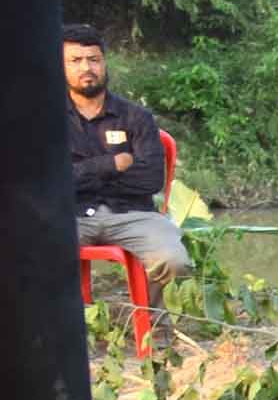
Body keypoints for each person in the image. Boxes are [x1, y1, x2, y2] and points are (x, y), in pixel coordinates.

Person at [64, 23, 190, 280]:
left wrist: (81, 175)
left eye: (94, 60)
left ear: (105, 63)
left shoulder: (137, 116)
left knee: (174, 261)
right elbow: (50, 181)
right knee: (26, 250)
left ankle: (154, 319)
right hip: (70, 215)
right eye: (75, 60)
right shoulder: (45, 117)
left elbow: (151, 179)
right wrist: (111, 164)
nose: (86, 68)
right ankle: (56, 320)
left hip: (132, 215)